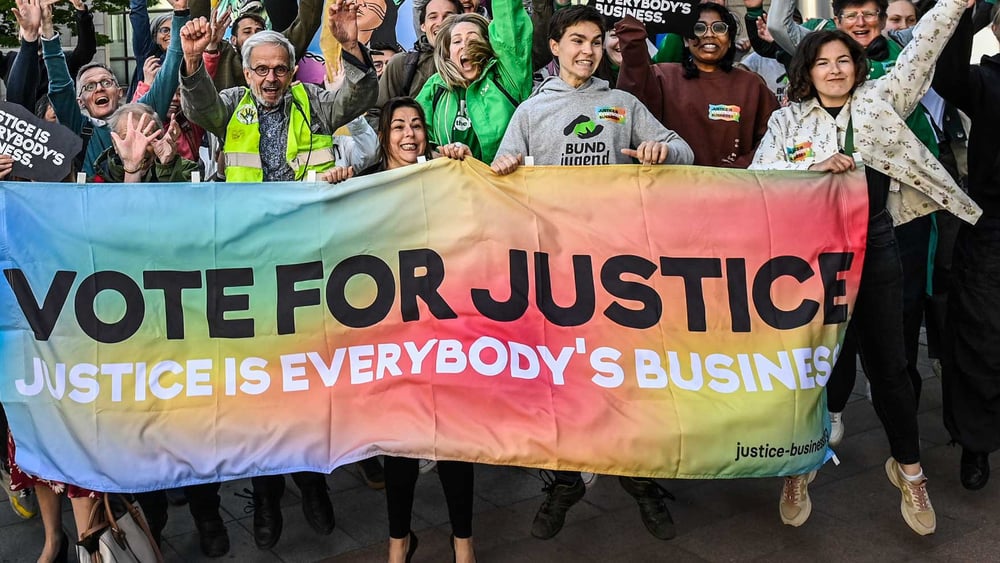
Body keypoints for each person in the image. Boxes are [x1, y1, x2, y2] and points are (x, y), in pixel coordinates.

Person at [750, 0, 980, 535]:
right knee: (811, 367)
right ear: (806, 71)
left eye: (845, 61)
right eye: (823, 62)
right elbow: (759, 177)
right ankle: (799, 465)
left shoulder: (880, 103)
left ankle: (911, 471)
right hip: (808, 259)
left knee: (892, 364)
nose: (836, 69)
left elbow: (920, 54)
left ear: (858, 66)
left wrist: (951, 5)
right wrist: (810, 165)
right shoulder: (787, 120)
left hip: (876, 244)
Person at [491, 5, 694, 542]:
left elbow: (684, 148)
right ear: (554, 47)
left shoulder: (622, 104)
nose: (586, 50)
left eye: (595, 41)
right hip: (558, 274)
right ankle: (563, 481)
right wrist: (506, 168)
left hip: (622, 272)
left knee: (627, 378)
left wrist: (662, 149)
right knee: (563, 381)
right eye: (576, 40)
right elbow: (499, 182)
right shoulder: (531, 114)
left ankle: (640, 481)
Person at [179, 1, 377, 549]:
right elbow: (198, 109)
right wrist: (193, 62)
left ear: (293, 71)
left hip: (309, 269)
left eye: (279, 68)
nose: (270, 78)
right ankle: (266, 498)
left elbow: (359, 98)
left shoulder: (314, 102)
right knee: (262, 397)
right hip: (248, 275)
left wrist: (353, 47)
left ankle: (313, 485)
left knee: (309, 389)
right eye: (260, 69)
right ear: (245, 74)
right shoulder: (228, 106)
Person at [933, 0, 1000, 491]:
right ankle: (975, 444)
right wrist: (961, 12)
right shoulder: (986, 79)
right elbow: (947, 75)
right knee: (981, 332)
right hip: (992, 223)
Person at [615, 5, 779, 168]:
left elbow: (775, 136)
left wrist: (738, 169)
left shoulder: (751, 85)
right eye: (699, 28)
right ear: (686, 40)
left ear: (730, 40)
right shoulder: (662, 76)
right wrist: (633, 38)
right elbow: (628, 103)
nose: (709, 34)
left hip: (736, 187)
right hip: (674, 187)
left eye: (719, 28)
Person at [40, 0, 188, 178]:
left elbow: (169, 72)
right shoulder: (78, 126)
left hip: (141, 201)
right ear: (80, 101)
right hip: (93, 205)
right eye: (89, 86)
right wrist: (47, 28)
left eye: (106, 82)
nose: (99, 89)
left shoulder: (141, 114)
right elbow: (60, 86)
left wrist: (180, 13)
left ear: (120, 92)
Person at [415, 0, 533, 164]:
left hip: (502, 184)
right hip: (450, 185)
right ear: (448, 52)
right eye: (456, 41)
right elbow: (417, 139)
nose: (465, 45)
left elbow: (509, 22)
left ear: (487, 43)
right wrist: (440, 153)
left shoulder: (507, 76)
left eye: (472, 38)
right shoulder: (435, 86)